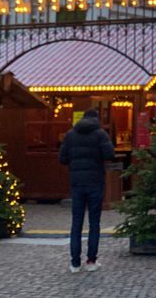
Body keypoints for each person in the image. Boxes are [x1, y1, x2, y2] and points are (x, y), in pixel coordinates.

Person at [59, 109, 115, 274]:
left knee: (76, 223)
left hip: (76, 183)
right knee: (94, 223)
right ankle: (91, 261)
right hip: (95, 182)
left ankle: (75, 263)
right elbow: (109, 154)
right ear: (96, 119)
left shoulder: (70, 135)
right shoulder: (100, 134)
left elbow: (62, 159)